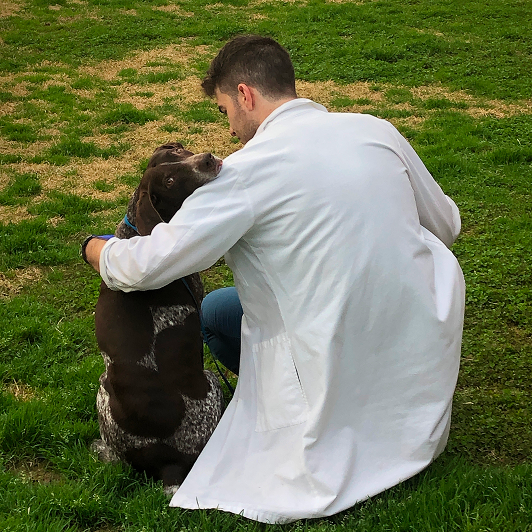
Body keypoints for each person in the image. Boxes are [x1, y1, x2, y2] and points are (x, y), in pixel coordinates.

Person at [84, 35, 465, 524]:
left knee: (217, 315)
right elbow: (447, 225)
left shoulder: (243, 173)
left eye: (224, 110)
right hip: (415, 336)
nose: (230, 128)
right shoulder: (376, 129)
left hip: (336, 333)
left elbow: (142, 268)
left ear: (245, 95)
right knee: (227, 308)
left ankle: (318, 413)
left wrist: (93, 247)